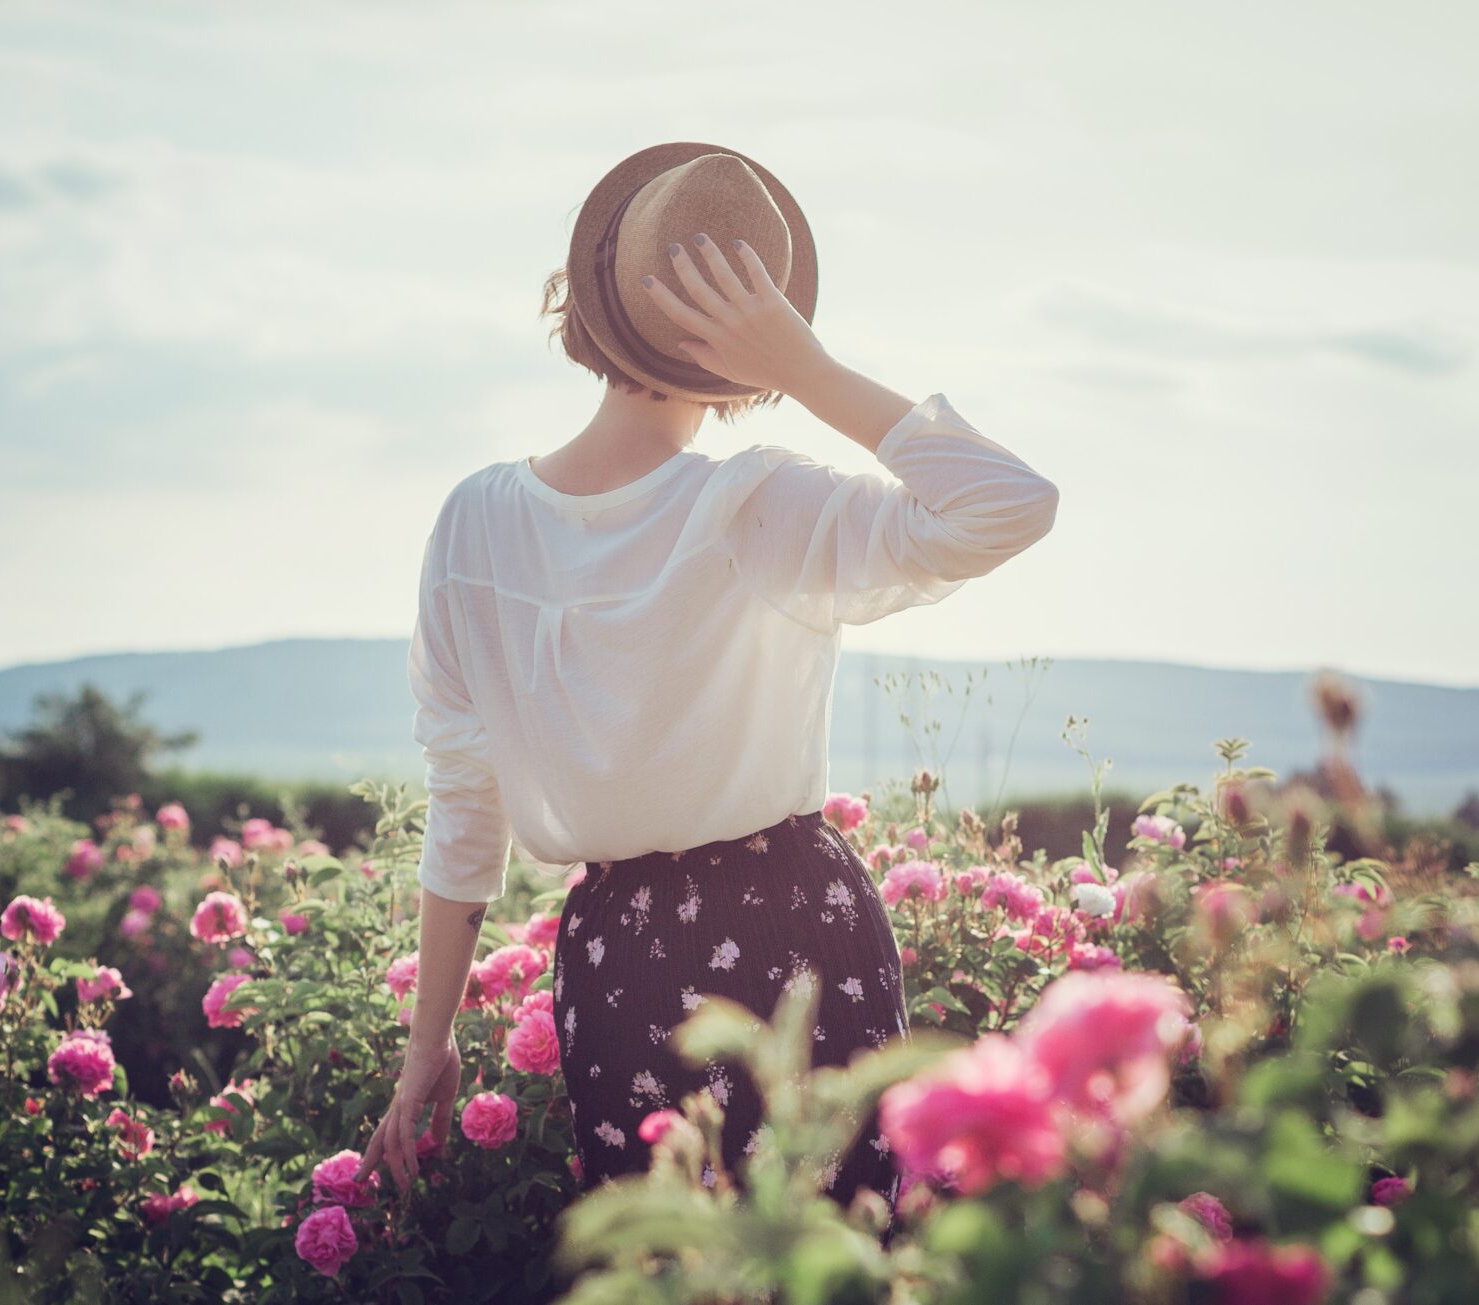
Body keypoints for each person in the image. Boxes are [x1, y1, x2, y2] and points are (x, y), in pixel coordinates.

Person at [354, 144, 1060, 1228]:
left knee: (671, 1264)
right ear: (752, 347)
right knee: (840, 1252)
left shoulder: (473, 525)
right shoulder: (756, 503)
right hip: (796, 924)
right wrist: (814, 370)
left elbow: (464, 812)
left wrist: (427, 1052)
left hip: (613, 955)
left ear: (593, 303)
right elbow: (1008, 504)